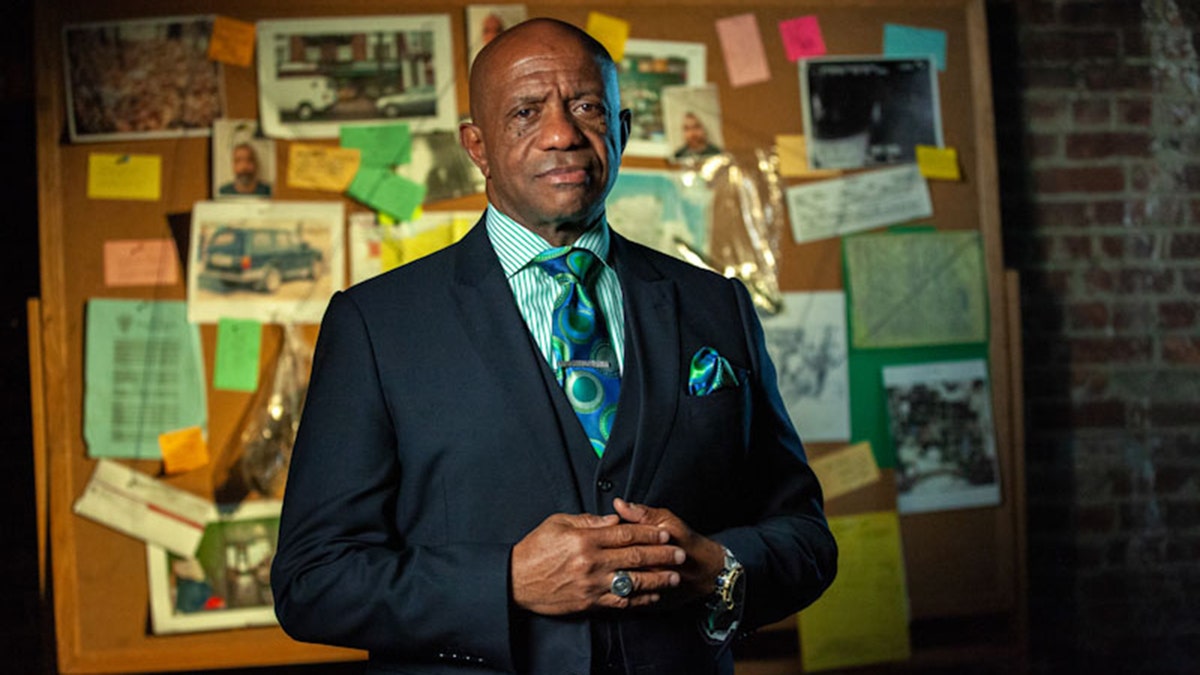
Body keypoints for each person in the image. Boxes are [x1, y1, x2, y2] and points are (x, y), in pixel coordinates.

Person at [271, 18, 835, 675]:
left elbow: (805, 535)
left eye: (587, 107)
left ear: (620, 130)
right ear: (477, 147)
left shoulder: (719, 306)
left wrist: (721, 569)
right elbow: (311, 580)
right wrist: (504, 580)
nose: (563, 133)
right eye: (526, 111)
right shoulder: (375, 323)